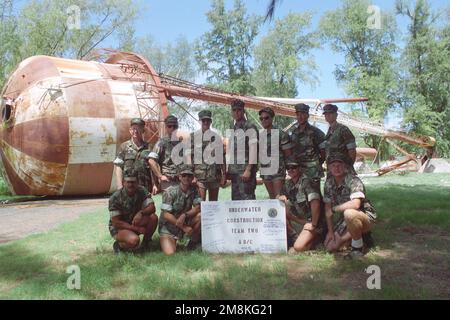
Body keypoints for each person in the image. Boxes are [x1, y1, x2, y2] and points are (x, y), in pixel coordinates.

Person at [323, 154, 376, 259]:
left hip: (363, 215)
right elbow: (327, 209)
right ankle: (360, 238)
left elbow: (356, 204)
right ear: (329, 168)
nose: (336, 168)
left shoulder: (354, 181)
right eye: (333, 165)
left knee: (349, 213)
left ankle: (358, 249)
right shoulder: (328, 184)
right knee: (330, 247)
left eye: (339, 165)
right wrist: (330, 232)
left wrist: (335, 209)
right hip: (345, 219)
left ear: (345, 167)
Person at [277, 158, 326, 252]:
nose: (290, 170)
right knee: (280, 207)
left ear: (300, 168)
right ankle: (296, 238)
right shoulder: (288, 184)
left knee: (299, 247)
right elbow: (279, 196)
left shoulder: (308, 182)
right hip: (298, 221)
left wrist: (313, 225)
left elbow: (315, 204)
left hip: (312, 223)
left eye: (293, 167)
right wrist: (280, 197)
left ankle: (316, 241)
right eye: (288, 168)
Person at [108, 170, 158, 253]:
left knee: (153, 218)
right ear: (123, 182)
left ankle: (146, 243)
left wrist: (141, 213)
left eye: (133, 182)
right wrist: (136, 228)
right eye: (128, 182)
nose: (131, 185)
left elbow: (152, 207)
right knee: (134, 241)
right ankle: (119, 245)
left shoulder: (142, 190)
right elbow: (116, 222)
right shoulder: (115, 197)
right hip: (120, 228)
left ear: (137, 182)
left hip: (135, 221)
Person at [159, 165, 202, 255]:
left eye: (189, 176)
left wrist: (184, 215)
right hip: (169, 227)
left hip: (184, 221)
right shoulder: (169, 191)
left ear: (192, 178)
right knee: (170, 253)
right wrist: (184, 227)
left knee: (200, 216)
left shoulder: (194, 190)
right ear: (179, 177)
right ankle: (172, 239)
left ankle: (192, 242)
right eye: (184, 175)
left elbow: (198, 207)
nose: (187, 178)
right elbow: (166, 215)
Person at [190, 110, 227, 201]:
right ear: (200, 121)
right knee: (200, 205)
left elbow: (221, 158)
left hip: (214, 176)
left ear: (211, 121)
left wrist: (224, 175)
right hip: (200, 177)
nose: (206, 122)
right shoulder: (193, 137)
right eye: (203, 121)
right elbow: (189, 157)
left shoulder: (217, 138)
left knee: (213, 205)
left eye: (208, 120)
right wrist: (192, 176)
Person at [290, 103, 326, 192]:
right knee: (300, 197)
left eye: (303, 114)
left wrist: (316, 163)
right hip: (298, 171)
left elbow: (324, 152)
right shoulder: (294, 132)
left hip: (312, 171)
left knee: (315, 196)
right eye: (298, 114)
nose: (300, 117)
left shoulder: (316, 132)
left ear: (307, 115)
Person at [258, 107, 293, 199]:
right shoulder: (260, 136)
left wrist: (289, 170)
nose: (263, 120)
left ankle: (285, 213)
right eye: (261, 118)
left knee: (279, 197)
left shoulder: (281, 134)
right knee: (272, 198)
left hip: (278, 171)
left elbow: (288, 154)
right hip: (265, 171)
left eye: (266, 118)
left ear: (272, 118)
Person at [228, 99, 259, 200]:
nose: (236, 113)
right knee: (236, 203)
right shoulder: (233, 128)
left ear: (243, 111)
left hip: (245, 171)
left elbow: (254, 149)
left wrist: (249, 169)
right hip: (235, 173)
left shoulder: (249, 127)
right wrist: (229, 169)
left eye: (239, 110)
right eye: (234, 110)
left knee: (247, 201)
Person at [113, 118, 153, 192]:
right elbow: (118, 167)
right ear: (130, 130)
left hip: (145, 188)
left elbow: (153, 167)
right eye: (134, 129)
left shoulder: (149, 147)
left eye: (138, 129)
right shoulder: (124, 146)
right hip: (128, 188)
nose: (135, 131)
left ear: (143, 131)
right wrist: (119, 186)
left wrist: (155, 184)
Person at [148, 115, 182, 192]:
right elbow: (151, 161)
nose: (172, 128)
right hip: (168, 182)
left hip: (181, 181)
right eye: (170, 126)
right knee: (168, 204)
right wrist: (160, 176)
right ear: (166, 127)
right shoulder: (161, 143)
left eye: (175, 126)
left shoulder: (180, 143)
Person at [322, 104, 357, 172]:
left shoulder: (343, 129)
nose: (328, 115)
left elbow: (352, 151)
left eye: (331, 113)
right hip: (332, 169)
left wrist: (348, 167)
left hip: (343, 169)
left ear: (336, 115)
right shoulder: (329, 131)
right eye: (326, 114)